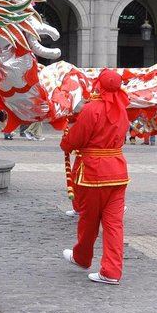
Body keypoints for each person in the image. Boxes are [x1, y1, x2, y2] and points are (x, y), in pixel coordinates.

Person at [61, 69, 130, 285]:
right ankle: (111, 271)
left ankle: (82, 257)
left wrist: (66, 142)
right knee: (114, 224)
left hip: (93, 172)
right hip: (118, 173)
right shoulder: (122, 109)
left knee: (89, 220)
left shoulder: (92, 109)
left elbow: (77, 138)